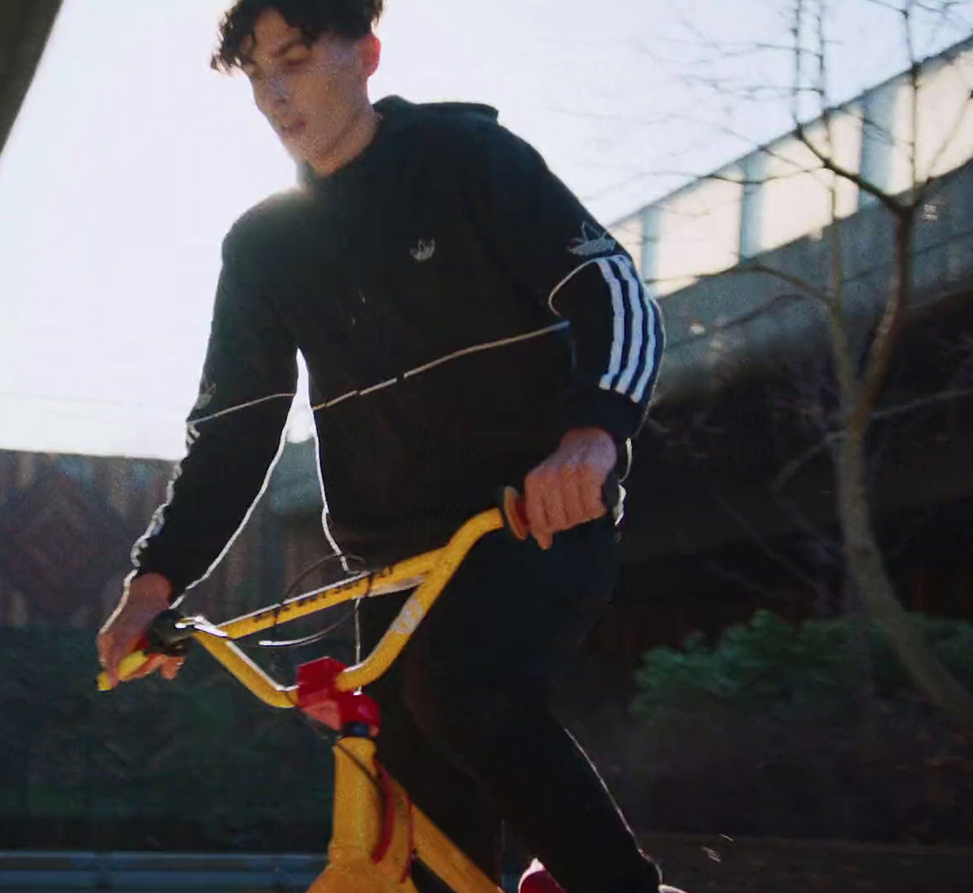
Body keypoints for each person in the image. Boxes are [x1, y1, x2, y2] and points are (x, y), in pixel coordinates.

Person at [96, 3, 678, 892]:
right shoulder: (262, 244)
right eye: (257, 73)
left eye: (294, 58)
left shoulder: (464, 158)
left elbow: (612, 289)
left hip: (524, 525)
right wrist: (154, 582)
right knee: (418, 831)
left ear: (364, 54)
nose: (277, 91)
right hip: (395, 568)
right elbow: (232, 431)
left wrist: (591, 437)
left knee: (466, 695)